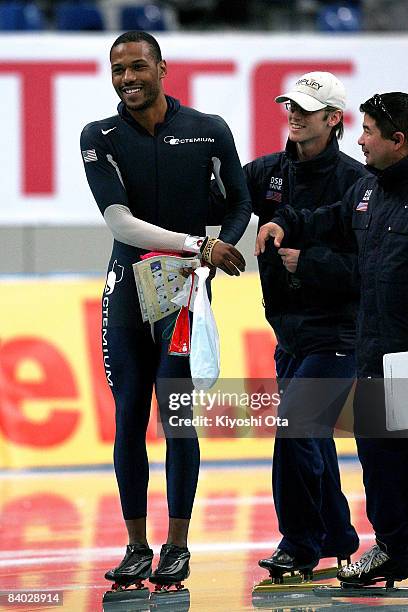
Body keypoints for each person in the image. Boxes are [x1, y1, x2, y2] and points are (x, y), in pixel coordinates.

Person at [80, 30, 251, 589]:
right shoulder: (98, 135)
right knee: (129, 416)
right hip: (129, 289)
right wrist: (199, 245)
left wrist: (208, 260)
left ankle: (176, 546)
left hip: (184, 292)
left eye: (137, 67)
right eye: (117, 69)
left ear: (162, 68)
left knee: (178, 419)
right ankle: (135, 547)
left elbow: (240, 203)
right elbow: (120, 224)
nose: (127, 78)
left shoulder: (207, 131)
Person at [211, 71, 367, 578]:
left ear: (333, 119)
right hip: (288, 332)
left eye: (305, 108)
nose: (293, 115)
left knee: (296, 426)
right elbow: (220, 202)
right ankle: (338, 536)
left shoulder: (356, 182)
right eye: (289, 106)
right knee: (310, 436)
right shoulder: (267, 173)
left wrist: (310, 263)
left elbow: (371, 270)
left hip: (340, 333)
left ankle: (299, 543)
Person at [256, 91, 408, 586]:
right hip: (372, 350)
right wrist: (283, 220)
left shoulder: (364, 181)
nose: (362, 139)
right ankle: (389, 547)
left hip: (384, 350)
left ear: (398, 141)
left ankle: (312, 542)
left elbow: (351, 270)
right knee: (379, 458)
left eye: (370, 131)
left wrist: (313, 263)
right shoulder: (368, 192)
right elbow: (325, 219)